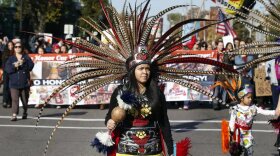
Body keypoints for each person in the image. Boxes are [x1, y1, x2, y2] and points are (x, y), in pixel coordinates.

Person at [104, 54, 174, 155]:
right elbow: (109, 116)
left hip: (153, 149)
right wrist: (109, 122)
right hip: (125, 149)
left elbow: (164, 123)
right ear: (133, 71)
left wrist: (171, 150)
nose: (145, 72)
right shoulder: (120, 91)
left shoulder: (157, 93)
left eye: (147, 69)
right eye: (141, 69)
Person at [229, 84, 277, 156]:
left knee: (249, 152)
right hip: (237, 135)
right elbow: (232, 121)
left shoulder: (253, 108)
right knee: (236, 152)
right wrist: (231, 131)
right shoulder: (235, 108)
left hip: (247, 135)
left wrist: (275, 112)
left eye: (251, 97)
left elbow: (264, 112)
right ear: (241, 98)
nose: (250, 99)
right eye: (248, 97)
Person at [5, 41, 34, 121]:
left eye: (19, 47)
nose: (17, 48)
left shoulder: (26, 57)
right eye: (16, 47)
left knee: (25, 100)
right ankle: (14, 115)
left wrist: (23, 63)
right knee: (15, 99)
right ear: (14, 48)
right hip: (14, 83)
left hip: (24, 82)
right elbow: (7, 69)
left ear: (22, 48)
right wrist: (14, 65)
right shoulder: (11, 58)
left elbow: (31, 66)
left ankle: (25, 111)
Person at [2, 41, 13, 108]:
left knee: (11, 87)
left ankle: (10, 102)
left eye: (11, 45)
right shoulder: (5, 53)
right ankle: (5, 101)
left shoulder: (15, 53)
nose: (10, 46)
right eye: (9, 45)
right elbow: (3, 64)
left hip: (13, 72)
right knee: (5, 87)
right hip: (6, 72)